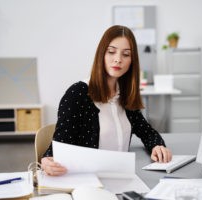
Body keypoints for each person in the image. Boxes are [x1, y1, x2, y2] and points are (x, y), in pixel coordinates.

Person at [41, 25, 172, 176]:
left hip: (120, 176)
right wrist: (47, 160)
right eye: (111, 52)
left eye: (126, 54)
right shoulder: (77, 94)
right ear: (102, 54)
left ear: (132, 61)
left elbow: (146, 131)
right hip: (87, 180)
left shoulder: (124, 94)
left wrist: (157, 145)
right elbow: (60, 146)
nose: (118, 59)